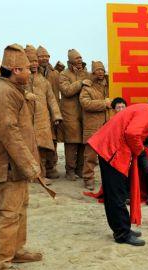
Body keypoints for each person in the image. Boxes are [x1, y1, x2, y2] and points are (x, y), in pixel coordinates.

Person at [0, 44, 42, 270]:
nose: (31, 71)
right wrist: (29, 164)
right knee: (7, 212)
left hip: (15, 164)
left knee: (19, 209)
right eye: (27, 68)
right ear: (16, 70)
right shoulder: (2, 93)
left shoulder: (11, 89)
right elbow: (10, 132)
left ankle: (15, 250)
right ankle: (0, 263)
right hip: (6, 165)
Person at [88, 101, 148, 246]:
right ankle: (122, 234)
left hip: (110, 147)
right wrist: (140, 151)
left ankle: (122, 228)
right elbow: (132, 133)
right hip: (112, 150)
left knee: (115, 193)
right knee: (116, 194)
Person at [25, 45, 62, 185]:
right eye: (31, 61)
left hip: (42, 119)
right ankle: (29, 175)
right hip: (26, 118)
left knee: (41, 149)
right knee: (27, 148)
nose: (34, 64)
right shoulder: (21, 79)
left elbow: (52, 99)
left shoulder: (43, 80)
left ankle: (39, 175)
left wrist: (56, 116)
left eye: (35, 61)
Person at [59, 49, 91, 181]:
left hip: (85, 113)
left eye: (80, 57)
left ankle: (80, 169)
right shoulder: (64, 74)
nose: (79, 60)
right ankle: (70, 170)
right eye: (77, 58)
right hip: (70, 113)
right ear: (71, 59)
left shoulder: (86, 73)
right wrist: (80, 83)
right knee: (71, 143)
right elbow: (66, 91)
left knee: (83, 142)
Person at [79, 61, 111, 190]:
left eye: (102, 70)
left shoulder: (111, 85)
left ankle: (108, 179)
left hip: (108, 125)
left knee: (109, 154)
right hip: (92, 126)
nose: (100, 72)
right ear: (93, 72)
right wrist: (104, 104)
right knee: (90, 155)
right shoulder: (87, 87)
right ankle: (88, 178)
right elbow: (85, 103)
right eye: (97, 70)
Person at [37, 45, 61, 179]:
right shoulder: (33, 73)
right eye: (41, 56)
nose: (44, 58)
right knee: (40, 142)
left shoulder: (54, 73)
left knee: (53, 140)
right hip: (39, 113)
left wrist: (57, 113)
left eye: (46, 56)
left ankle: (51, 166)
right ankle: (41, 169)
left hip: (53, 111)